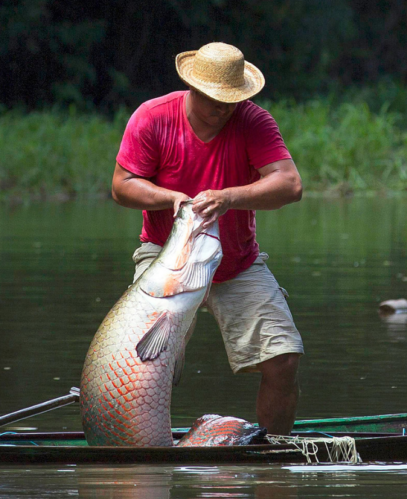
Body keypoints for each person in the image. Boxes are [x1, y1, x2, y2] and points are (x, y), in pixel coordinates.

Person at [111, 42, 303, 436]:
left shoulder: (253, 121)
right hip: (165, 257)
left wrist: (230, 195)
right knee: (139, 364)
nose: (225, 108)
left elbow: (290, 184)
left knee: (283, 359)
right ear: (193, 89)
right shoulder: (153, 117)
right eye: (216, 100)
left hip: (236, 261)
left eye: (233, 100)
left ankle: (275, 455)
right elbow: (121, 185)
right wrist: (171, 198)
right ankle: (137, 448)